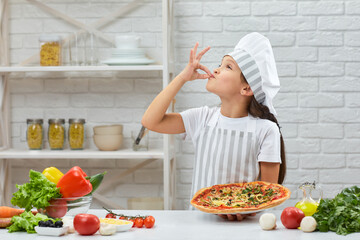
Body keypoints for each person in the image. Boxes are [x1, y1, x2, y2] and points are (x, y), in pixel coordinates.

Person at [142, 32, 286, 221]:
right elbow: (150, 121)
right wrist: (182, 78)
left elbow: (268, 194)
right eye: (220, 64)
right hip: (199, 223)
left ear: (247, 88)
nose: (216, 70)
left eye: (227, 67)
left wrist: (238, 208)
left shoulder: (266, 130)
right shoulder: (202, 118)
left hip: (243, 228)